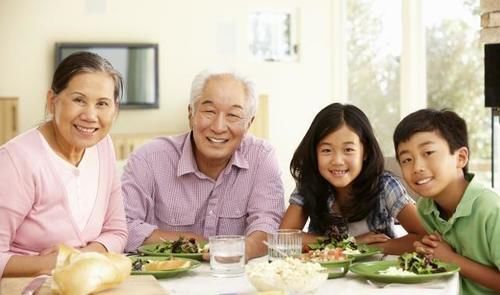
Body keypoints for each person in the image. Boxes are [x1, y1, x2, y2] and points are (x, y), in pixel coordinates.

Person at [122, 68, 284, 259]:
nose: (218, 127)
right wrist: (196, 243)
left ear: (249, 123)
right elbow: (124, 226)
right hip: (164, 278)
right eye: (209, 111)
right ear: (190, 114)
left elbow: (268, 223)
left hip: (234, 276)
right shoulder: (148, 158)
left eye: (233, 115)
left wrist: (236, 252)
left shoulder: (262, 157)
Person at [0, 52, 128, 277]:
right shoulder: (16, 160)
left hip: (85, 284)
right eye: (79, 100)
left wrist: (80, 257)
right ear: (52, 101)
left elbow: (116, 232)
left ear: (114, 109)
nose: (90, 115)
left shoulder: (103, 146)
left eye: (102, 104)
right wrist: (57, 263)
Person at [280, 103, 425, 254]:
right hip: (327, 275)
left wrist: (372, 247)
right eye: (326, 150)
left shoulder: (385, 185)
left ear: (365, 152)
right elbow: (283, 238)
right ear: (314, 153)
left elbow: (424, 237)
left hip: (376, 272)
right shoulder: (310, 183)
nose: (337, 160)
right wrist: (348, 243)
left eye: (348, 150)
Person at [393, 108, 500, 294]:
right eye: (406, 159)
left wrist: (451, 259)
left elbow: (451, 259)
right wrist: (429, 253)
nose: (417, 167)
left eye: (428, 153)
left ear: (461, 158)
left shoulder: (491, 210)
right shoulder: (425, 208)